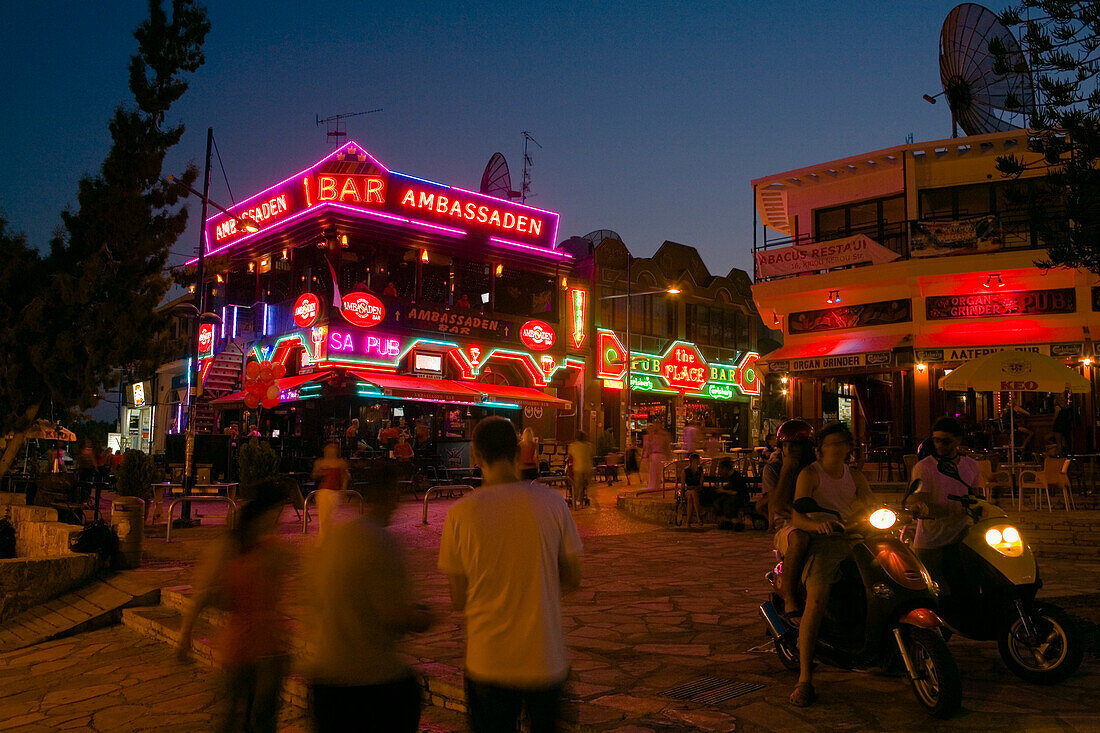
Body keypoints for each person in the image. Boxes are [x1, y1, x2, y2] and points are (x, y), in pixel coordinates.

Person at [438, 417, 582, 733]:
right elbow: (572, 576)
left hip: (488, 660)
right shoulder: (553, 504)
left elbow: (458, 597)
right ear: (518, 452)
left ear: (476, 457)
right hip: (544, 657)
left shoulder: (460, 514)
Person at [308, 462, 434, 732]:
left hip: (326, 674)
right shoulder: (381, 542)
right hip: (369, 679)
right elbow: (393, 614)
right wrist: (424, 617)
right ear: (390, 493)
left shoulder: (335, 539)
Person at [177, 479, 290, 733]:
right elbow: (206, 594)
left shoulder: (271, 548)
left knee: (258, 719)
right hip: (244, 647)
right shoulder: (234, 547)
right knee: (240, 719)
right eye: (278, 511)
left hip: (266, 648)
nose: (280, 518)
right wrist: (185, 635)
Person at [788, 422, 875, 708]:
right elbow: (797, 516)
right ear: (820, 449)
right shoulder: (811, 474)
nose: (838, 448)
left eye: (843, 443)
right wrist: (818, 524)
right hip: (826, 541)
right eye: (832, 443)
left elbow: (871, 503)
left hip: (856, 536)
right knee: (816, 600)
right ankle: (804, 678)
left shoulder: (855, 476)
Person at [908, 417, 980, 611]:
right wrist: (921, 507)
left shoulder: (971, 465)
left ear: (958, 440)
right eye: (936, 440)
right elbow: (917, 498)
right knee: (933, 588)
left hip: (962, 533)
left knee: (967, 583)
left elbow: (976, 495)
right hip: (932, 536)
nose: (940, 445)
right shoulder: (924, 467)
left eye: (946, 441)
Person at [763, 420, 817, 611]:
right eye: (786, 445)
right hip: (788, 524)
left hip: (820, 520)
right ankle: (790, 598)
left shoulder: (817, 468)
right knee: (799, 538)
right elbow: (776, 505)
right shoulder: (773, 469)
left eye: (797, 445)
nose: (791, 449)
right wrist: (788, 469)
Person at [312, 442, 350, 542]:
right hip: (323, 491)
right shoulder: (321, 462)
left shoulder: (340, 462)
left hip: (334, 492)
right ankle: (323, 540)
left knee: (330, 516)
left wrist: (344, 489)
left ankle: (326, 539)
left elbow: (345, 477)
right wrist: (320, 472)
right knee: (324, 517)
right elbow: (314, 475)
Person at [567, 431, 595, 507]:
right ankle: (582, 498)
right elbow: (592, 455)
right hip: (588, 468)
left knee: (577, 484)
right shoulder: (589, 446)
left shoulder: (573, 446)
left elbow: (570, 456)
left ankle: (576, 499)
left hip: (578, 468)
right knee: (584, 484)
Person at [643, 423, 671, 491]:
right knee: (657, 473)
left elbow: (648, 447)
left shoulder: (652, 437)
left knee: (653, 473)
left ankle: (653, 487)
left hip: (654, 455)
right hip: (660, 455)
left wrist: (646, 456)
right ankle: (656, 487)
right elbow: (666, 447)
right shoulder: (663, 436)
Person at [682, 453, 704, 527]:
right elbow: (683, 486)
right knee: (692, 493)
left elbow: (701, 484)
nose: (697, 463)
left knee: (691, 497)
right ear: (691, 461)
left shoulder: (700, 470)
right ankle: (698, 517)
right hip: (688, 491)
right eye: (696, 461)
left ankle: (688, 522)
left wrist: (695, 488)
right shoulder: (685, 471)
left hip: (697, 491)